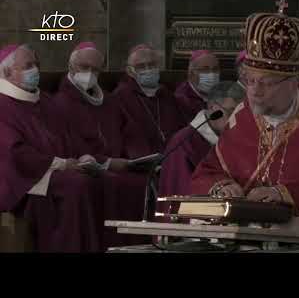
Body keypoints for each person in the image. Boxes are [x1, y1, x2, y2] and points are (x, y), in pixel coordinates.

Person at [190, 0, 299, 252]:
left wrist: (284, 195)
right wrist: (221, 186)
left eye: (267, 83)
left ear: (293, 82)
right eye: (250, 81)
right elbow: (207, 171)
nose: (255, 92)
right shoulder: (243, 117)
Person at [0, 44, 105, 252]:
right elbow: (15, 153)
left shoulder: (45, 101)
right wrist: (62, 164)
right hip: (23, 181)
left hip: (53, 173)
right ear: (6, 72)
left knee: (100, 180)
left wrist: (83, 157)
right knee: (76, 185)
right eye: (28, 66)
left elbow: (68, 136)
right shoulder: (2, 105)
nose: (36, 71)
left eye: (36, 65)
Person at [52, 42, 150, 247]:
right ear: (71, 67)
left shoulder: (111, 101)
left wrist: (138, 159)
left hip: (120, 166)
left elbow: (131, 133)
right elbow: (69, 145)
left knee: (143, 183)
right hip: (93, 168)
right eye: (84, 67)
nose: (90, 73)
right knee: (113, 184)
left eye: (95, 69)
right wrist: (107, 162)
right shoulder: (61, 103)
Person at [157, 81, 245, 206]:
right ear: (213, 108)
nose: (237, 119)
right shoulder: (185, 142)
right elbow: (182, 189)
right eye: (231, 112)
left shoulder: (236, 140)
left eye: (241, 113)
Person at [114, 43, 185, 158]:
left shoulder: (167, 94)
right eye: (141, 66)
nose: (148, 70)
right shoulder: (121, 97)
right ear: (130, 71)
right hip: (142, 162)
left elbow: (180, 129)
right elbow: (126, 136)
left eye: (152, 65)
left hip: (173, 158)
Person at [174, 50, 221, 122]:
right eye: (205, 69)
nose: (212, 74)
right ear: (191, 73)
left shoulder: (222, 94)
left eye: (215, 69)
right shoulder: (182, 99)